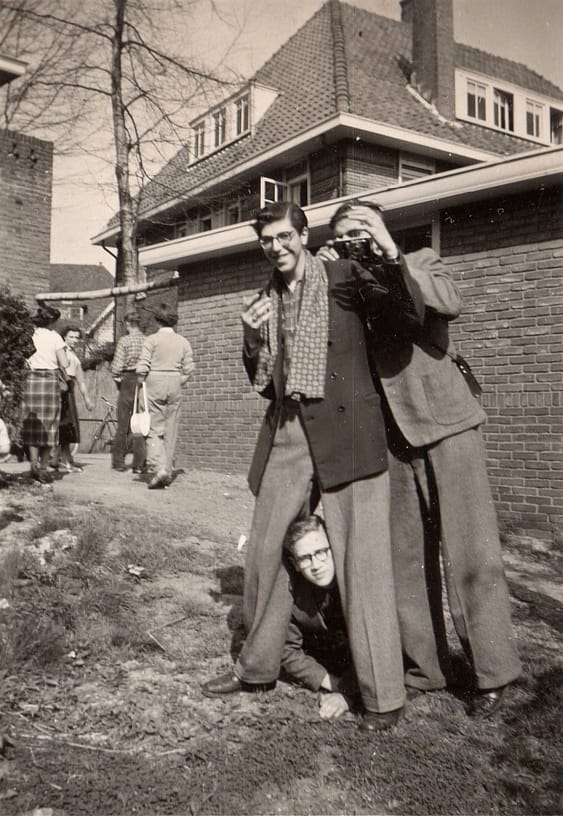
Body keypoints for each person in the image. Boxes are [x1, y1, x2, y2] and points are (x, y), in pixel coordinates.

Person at [202, 201, 407, 731]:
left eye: (285, 236)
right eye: (267, 240)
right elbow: (262, 377)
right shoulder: (265, 297)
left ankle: (384, 697)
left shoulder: (342, 275)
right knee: (266, 551)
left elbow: (399, 315)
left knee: (361, 562)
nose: (277, 247)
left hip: (348, 432)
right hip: (289, 430)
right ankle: (256, 668)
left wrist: (387, 250)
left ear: (303, 233)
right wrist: (250, 339)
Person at [321, 199, 521, 717]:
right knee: (404, 560)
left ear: (384, 228)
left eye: (364, 228)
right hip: (388, 436)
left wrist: (389, 250)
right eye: (346, 234)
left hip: (447, 423)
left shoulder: (422, 259)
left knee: (470, 552)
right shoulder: (339, 286)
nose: (356, 240)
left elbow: (448, 302)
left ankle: (493, 671)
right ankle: (424, 669)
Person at [281, 515, 358, 721]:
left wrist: (348, 692)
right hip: (330, 664)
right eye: (305, 558)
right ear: (295, 564)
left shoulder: (356, 582)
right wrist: (330, 682)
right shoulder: (294, 595)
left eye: (321, 552)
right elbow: (288, 650)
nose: (316, 565)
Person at [136, 303, 195, 490]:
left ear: (156, 320)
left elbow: (143, 366)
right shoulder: (183, 342)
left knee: (153, 428)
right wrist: (179, 380)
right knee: (171, 428)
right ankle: (168, 468)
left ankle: (158, 467)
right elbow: (189, 368)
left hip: (154, 381)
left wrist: (140, 383)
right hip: (175, 382)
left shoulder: (151, 340)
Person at [21, 305, 68, 484]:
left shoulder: (29, 336)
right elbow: (63, 362)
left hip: (31, 380)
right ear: (52, 321)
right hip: (49, 381)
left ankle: (33, 464)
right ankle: (43, 468)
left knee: (32, 423)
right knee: (50, 425)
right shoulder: (55, 337)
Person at [51, 325, 93, 472]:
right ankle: (63, 460)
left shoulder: (74, 355)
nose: (75, 340)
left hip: (70, 391)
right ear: (64, 337)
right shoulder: (59, 352)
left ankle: (61, 459)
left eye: (76, 337)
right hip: (61, 391)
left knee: (67, 427)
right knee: (63, 426)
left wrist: (87, 398)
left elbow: (80, 379)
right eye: (71, 337)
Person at [111, 310, 146, 473]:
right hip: (143, 381)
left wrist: (118, 379)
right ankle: (139, 463)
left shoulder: (124, 341)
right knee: (140, 422)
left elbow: (116, 367)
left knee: (123, 423)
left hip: (127, 380)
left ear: (127, 324)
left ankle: (118, 461)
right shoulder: (147, 341)